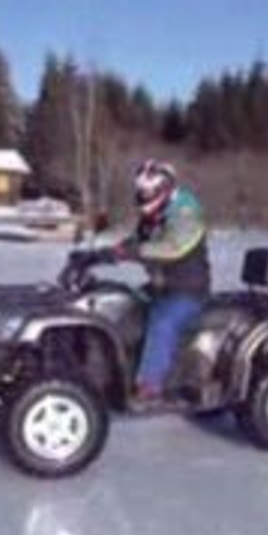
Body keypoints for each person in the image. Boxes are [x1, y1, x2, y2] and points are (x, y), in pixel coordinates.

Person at [70, 159, 211, 403]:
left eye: (148, 191)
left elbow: (172, 247)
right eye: (141, 191)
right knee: (118, 306)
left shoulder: (186, 212)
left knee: (162, 321)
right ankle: (112, 371)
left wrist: (129, 253)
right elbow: (135, 242)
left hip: (186, 291)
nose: (143, 196)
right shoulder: (154, 215)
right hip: (159, 287)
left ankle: (150, 385)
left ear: (163, 189)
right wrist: (100, 255)